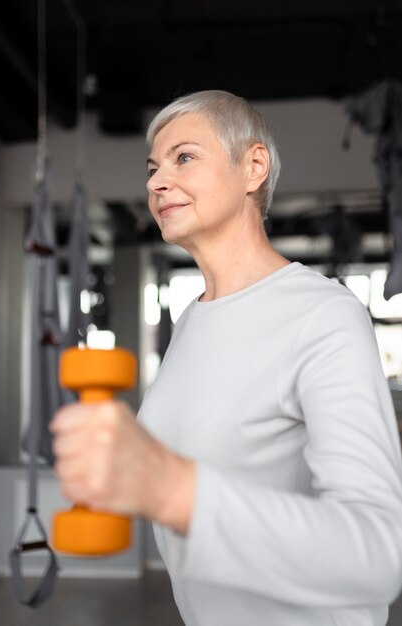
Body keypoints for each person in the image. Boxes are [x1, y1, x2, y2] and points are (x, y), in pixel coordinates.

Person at [51, 90, 402, 626]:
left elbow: (378, 555)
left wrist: (171, 488)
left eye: (184, 157)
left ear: (253, 167)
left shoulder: (323, 314)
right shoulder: (193, 320)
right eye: (152, 168)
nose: (155, 182)